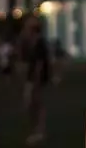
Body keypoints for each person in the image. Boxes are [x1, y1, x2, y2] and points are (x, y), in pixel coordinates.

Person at [19, 18, 53, 146]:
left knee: (35, 105)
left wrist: (36, 81)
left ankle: (39, 132)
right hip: (32, 78)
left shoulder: (39, 43)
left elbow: (40, 64)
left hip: (36, 79)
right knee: (31, 105)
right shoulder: (32, 42)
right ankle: (36, 131)